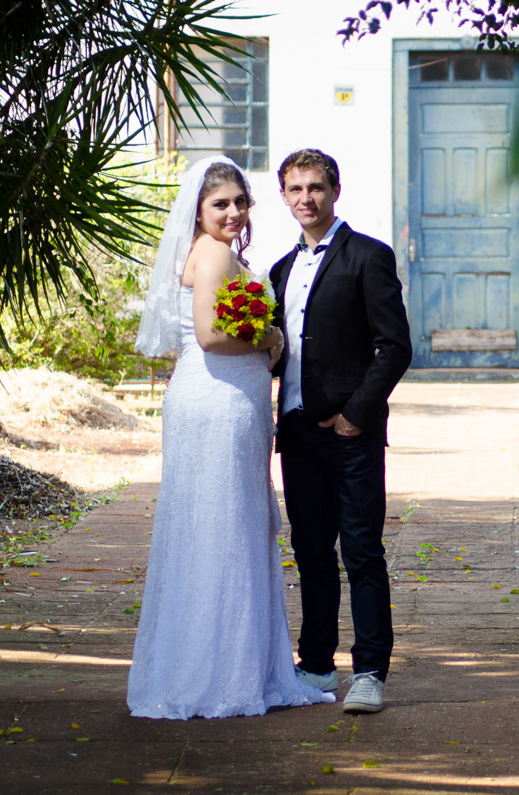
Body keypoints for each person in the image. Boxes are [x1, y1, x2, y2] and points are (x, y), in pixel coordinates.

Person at [128, 156, 335, 719]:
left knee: (218, 524)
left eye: (241, 202)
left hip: (220, 401)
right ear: (198, 209)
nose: (234, 213)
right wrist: (269, 337)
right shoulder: (216, 253)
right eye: (220, 203)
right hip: (217, 401)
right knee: (227, 525)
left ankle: (206, 664)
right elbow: (212, 336)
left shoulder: (214, 253)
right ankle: (223, 674)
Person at [270, 149, 412, 714]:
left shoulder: (368, 257)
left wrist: (356, 413)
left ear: (335, 190)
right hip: (298, 433)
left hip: (350, 434)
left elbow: (394, 346)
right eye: (295, 189)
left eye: (315, 187)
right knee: (309, 552)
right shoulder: (281, 270)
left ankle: (371, 670)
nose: (306, 198)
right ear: (283, 196)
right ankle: (318, 664)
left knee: (361, 551)